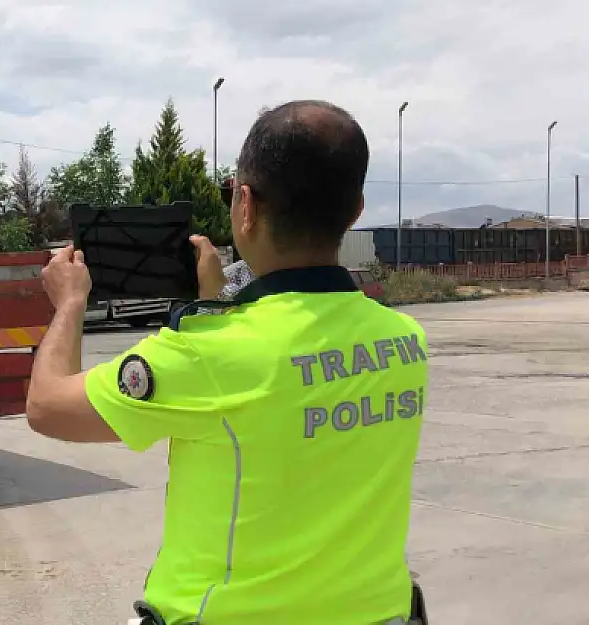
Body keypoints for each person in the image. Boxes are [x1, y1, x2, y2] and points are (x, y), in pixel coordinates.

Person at [25, 100, 428, 625]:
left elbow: (48, 407)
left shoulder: (207, 352)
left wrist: (70, 304)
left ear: (245, 205)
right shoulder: (404, 339)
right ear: (355, 210)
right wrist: (216, 304)